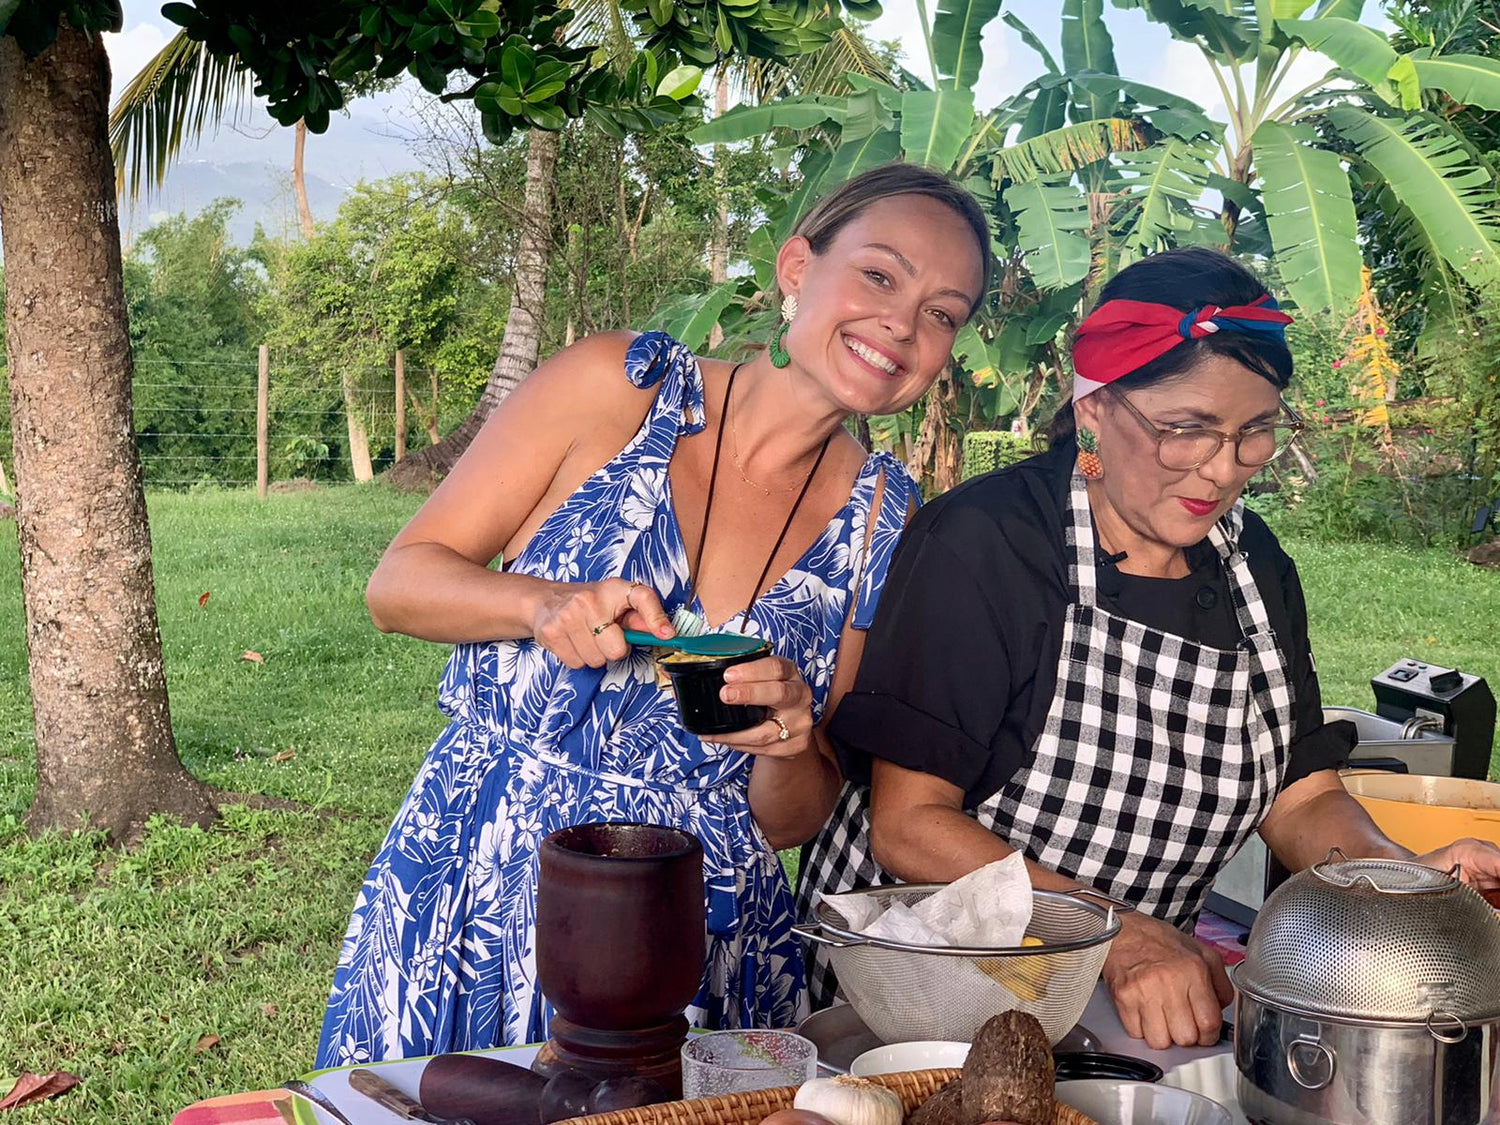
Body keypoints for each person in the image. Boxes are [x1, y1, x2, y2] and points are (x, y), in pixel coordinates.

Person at [314, 163, 992, 1065]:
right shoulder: (621, 388)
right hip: (484, 874)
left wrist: (790, 740)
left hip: (698, 936)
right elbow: (398, 584)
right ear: (796, 268)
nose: (904, 323)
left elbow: (790, 819)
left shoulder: (883, 521)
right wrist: (541, 602)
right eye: (880, 274)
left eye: (943, 312)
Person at [799, 247, 1500, 1051]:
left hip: (1129, 1009)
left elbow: (1302, 798)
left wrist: (1394, 881)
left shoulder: (1253, 563)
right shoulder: (987, 544)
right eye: (1186, 429)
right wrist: (1117, 934)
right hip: (929, 998)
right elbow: (910, 826)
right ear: (1095, 406)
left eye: (1255, 432)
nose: (1222, 468)